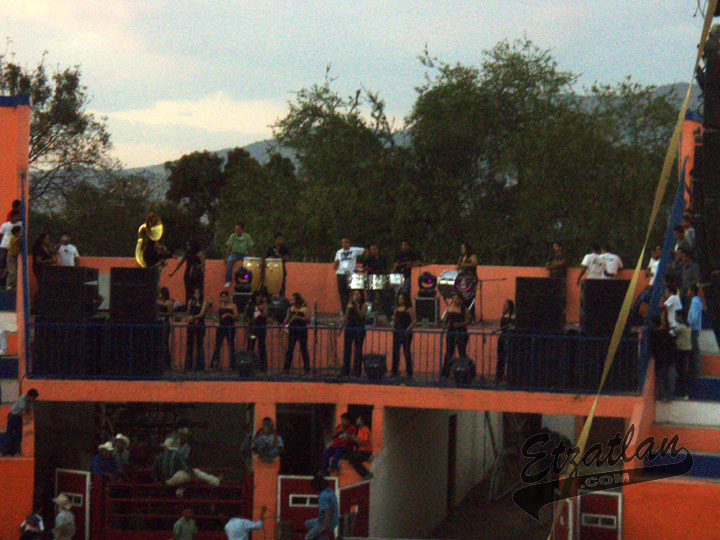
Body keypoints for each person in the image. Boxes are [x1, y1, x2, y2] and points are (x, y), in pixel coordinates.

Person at [153, 438, 220, 496]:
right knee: (195, 472)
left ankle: (179, 491)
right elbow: (185, 467)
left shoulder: (159, 457)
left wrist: (158, 481)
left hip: (165, 480)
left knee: (185, 477)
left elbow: (155, 471)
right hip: (174, 477)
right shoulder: (177, 454)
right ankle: (216, 481)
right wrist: (193, 474)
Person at [441, 293, 470, 379]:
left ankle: (464, 372)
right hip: (451, 332)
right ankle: (446, 372)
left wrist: (460, 324)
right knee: (449, 352)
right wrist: (445, 325)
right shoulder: (449, 308)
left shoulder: (464, 309)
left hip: (461, 332)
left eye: (458, 298)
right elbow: (445, 320)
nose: (456, 300)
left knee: (462, 352)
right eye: (455, 298)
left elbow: (467, 321)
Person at [333, 238, 366, 315]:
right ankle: (345, 311)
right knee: (342, 293)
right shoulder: (339, 252)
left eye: (346, 242)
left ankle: (357, 309)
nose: (344, 244)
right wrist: (336, 263)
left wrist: (365, 260)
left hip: (350, 274)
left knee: (354, 291)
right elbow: (335, 265)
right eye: (343, 243)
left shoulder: (354, 250)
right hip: (341, 273)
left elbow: (365, 251)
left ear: (349, 243)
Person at [630, 245, 662, 324]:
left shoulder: (662, 261)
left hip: (655, 285)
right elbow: (647, 272)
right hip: (650, 284)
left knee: (644, 298)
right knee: (639, 298)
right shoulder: (652, 260)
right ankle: (634, 316)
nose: (656, 252)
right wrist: (649, 272)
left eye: (658, 250)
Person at [2, 388, 38, 456]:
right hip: (13, 416)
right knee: (9, 434)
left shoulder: (30, 401)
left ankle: (14, 452)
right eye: (33, 397)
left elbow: (29, 411)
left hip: (19, 417)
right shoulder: (23, 398)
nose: (34, 399)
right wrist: (29, 418)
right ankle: (5, 452)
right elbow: (23, 410)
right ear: (30, 396)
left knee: (19, 435)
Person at [650, 315, 676, 402]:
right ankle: (670, 396)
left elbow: (653, 349)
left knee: (661, 379)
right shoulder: (667, 334)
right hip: (670, 359)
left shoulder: (654, 336)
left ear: (653, 324)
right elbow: (673, 346)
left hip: (660, 360)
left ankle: (663, 396)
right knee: (670, 379)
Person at [341, 290, 366, 377]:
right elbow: (346, 317)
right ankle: (346, 370)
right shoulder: (350, 304)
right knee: (347, 350)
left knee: (358, 350)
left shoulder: (364, 305)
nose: (355, 295)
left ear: (361, 296)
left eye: (357, 294)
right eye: (354, 294)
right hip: (349, 328)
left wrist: (356, 306)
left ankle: (357, 370)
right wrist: (341, 329)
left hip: (359, 329)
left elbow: (361, 315)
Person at [305, 473, 338, 540]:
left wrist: (324, 527)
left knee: (308, 538)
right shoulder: (330, 491)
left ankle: (323, 536)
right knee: (308, 523)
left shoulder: (323, 496)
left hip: (326, 522)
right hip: (334, 521)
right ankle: (323, 537)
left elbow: (327, 512)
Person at [212, 290, 239, 371]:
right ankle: (216, 364)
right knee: (218, 345)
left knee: (231, 346)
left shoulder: (233, 306)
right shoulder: (220, 305)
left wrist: (229, 314)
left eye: (224, 297)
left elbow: (236, 317)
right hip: (221, 326)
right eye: (221, 297)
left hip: (230, 327)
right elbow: (217, 315)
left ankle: (232, 365)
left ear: (228, 297)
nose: (223, 298)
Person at [284, 293, 311, 373]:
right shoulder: (290, 309)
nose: (292, 301)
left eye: (293, 299)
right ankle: (286, 368)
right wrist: (285, 322)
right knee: (290, 348)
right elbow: (287, 319)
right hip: (292, 330)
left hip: (301, 330)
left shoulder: (304, 309)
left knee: (303, 348)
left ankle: (306, 368)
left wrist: (299, 317)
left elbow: (308, 320)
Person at [391, 292, 416, 378]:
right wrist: (393, 327)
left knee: (406, 351)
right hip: (397, 332)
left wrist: (408, 328)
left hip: (406, 332)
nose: (399, 300)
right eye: (399, 298)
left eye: (401, 298)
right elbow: (394, 319)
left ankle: (409, 372)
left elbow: (414, 320)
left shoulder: (409, 309)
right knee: (395, 352)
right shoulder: (397, 309)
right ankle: (394, 371)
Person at [186, 288, 211, 371]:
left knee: (199, 344)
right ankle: (188, 365)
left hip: (200, 324)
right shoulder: (191, 302)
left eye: (198, 293)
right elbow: (188, 312)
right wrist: (189, 316)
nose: (196, 295)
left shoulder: (204, 302)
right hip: (191, 324)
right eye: (195, 293)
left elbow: (202, 313)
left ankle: (200, 366)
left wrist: (193, 317)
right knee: (190, 344)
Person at [225, 223, 254, 288]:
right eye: (236, 229)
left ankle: (247, 278)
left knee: (249, 265)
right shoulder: (232, 236)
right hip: (235, 254)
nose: (237, 230)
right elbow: (229, 247)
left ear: (242, 229)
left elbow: (250, 247)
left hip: (244, 254)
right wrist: (227, 256)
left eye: (238, 229)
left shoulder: (247, 236)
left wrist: (252, 256)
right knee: (230, 262)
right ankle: (228, 280)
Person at [247, 290, 269, 371]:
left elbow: (265, 315)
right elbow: (247, 315)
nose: (258, 298)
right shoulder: (251, 305)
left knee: (261, 345)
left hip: (261, 327)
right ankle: (249, 364)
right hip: (252, 327)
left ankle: (263, 366)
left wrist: (259, 311)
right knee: (250, 345)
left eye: (259, 296)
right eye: (257, 296)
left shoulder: (264, 305)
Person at [457, 242, 478, 320]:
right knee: (462, 298)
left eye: (463, 248)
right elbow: (458, 267)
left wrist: (464, 264)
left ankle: (471, 316)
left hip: (471, 279)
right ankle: (463, 315)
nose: (462, 249)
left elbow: (474, 263)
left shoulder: (472, 256)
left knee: (470, 297)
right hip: (463, 280)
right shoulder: (461, 257)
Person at [687, 284, 703, 390]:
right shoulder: (698, 301)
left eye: (689, 290)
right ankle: (694, 370)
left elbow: (694, 317)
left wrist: (689, 323)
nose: (688, 291)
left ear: (692, 291)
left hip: (693, 329)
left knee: (695, 351)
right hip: (695, 329)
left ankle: (696, 371)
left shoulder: (694, 302)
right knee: (694, 350)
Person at [496, 299, 515, 383]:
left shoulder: (513, 315)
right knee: (500, 357)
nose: (505, 305)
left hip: (509, 337)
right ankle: (499, 375)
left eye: (506, 304)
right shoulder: (503, 314)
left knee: (508, 357)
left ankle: (509, 375)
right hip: (503, 336)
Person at [674, 314, 693, 400]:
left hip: (681, 350)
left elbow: (674, 331)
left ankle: (683, 393)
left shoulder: (680, 327)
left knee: (681, 372)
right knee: (682, 371)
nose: (675, 318)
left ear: (680, 317)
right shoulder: (688, 326)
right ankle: (683, 393)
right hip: (687, 349)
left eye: (677, 316)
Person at [0, 211, 21, 284]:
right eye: (16, 216)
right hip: (4, 246)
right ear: (12, 217)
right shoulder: (5, 225)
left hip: (13, 248)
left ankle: (10, 280)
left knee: (11, 266)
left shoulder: (20, 224)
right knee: (2, 261)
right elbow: (1, 235)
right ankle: (1, 278)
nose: (18, 218)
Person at [266, 232, 290, 297]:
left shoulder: (284, 249)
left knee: (281, 287)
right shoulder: (271, 249)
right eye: (279, 239)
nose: (280, 241)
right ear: (275, 240)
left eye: (282, 240)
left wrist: (279, 255)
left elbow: (287, 259)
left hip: (280, 270)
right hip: (271, 270)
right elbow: (267, 259)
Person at [679, 249, 700, 316]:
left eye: (684, 256)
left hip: (690, 292)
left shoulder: (694, 267)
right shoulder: (684, 267)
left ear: (688, 257)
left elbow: (696, 279)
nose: (683, 258)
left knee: (689, 309)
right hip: (683, 291)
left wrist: (690, 287)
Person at [158, 287, 175, 368]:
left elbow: (170, 313)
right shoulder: (160, 301)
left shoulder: (169, 302)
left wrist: (161, 314)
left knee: (165, 342)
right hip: (161, 323)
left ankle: (167, 363)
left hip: (165, 322)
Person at [6, 225, 22, 290]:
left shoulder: (19, 238)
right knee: (11, 271)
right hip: (11, 256)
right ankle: (8, 284)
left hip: (16, 256)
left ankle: (14, 284)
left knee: (16, 271)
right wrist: (19, 239)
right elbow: (15, 243)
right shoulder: (13, 238)